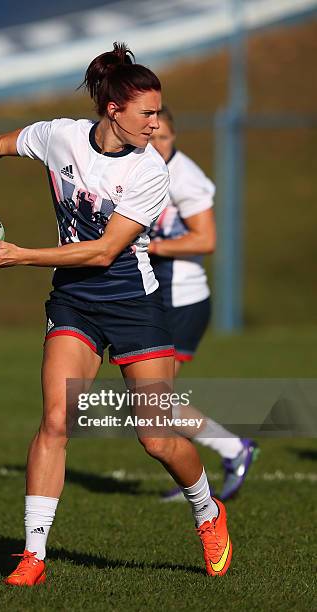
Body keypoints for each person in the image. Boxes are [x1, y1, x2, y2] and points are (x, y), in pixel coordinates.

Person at [0, 43, 232, 584]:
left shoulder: (150, 173)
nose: (157, 123)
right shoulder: (62, 136)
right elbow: (0, 144)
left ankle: (207, 510)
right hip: (75, 301)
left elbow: (102, 252)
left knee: (157, 438)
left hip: (132, 303)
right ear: (114, 110)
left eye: (159, 112)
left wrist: (18, 254)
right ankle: (34, 556)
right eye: (148, 113)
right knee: (54, 420)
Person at [148, 107, 258, 502]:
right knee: (149, 400)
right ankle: (220, 460)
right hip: (155, 297)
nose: (156, 143)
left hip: (182, 299)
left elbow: (205, 240)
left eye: (164, 137)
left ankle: (231, 450)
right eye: (150, 135)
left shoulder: (186, 178)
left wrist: (152, 245)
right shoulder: (137, 167)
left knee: (151, 400)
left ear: (174, 136)